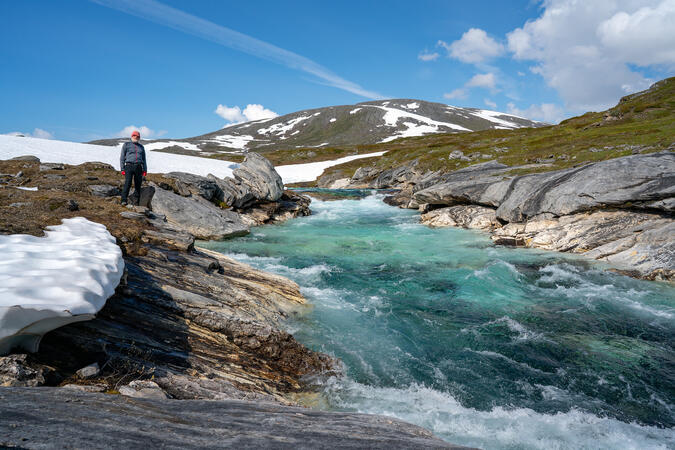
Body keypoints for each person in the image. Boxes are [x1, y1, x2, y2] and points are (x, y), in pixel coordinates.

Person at [119, 130, 147, 206]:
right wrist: (122, 169)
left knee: (138, 185)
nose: (136, 137)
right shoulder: (126, 145)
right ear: (132, 136)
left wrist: (145, 170)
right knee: (127, 183)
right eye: (134, 136)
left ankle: (136, 202)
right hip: (128, 166)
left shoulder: (141, 147)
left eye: (138, 136)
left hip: (139, 167)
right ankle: (123, 200)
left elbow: (144, 159)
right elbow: (122, 157)